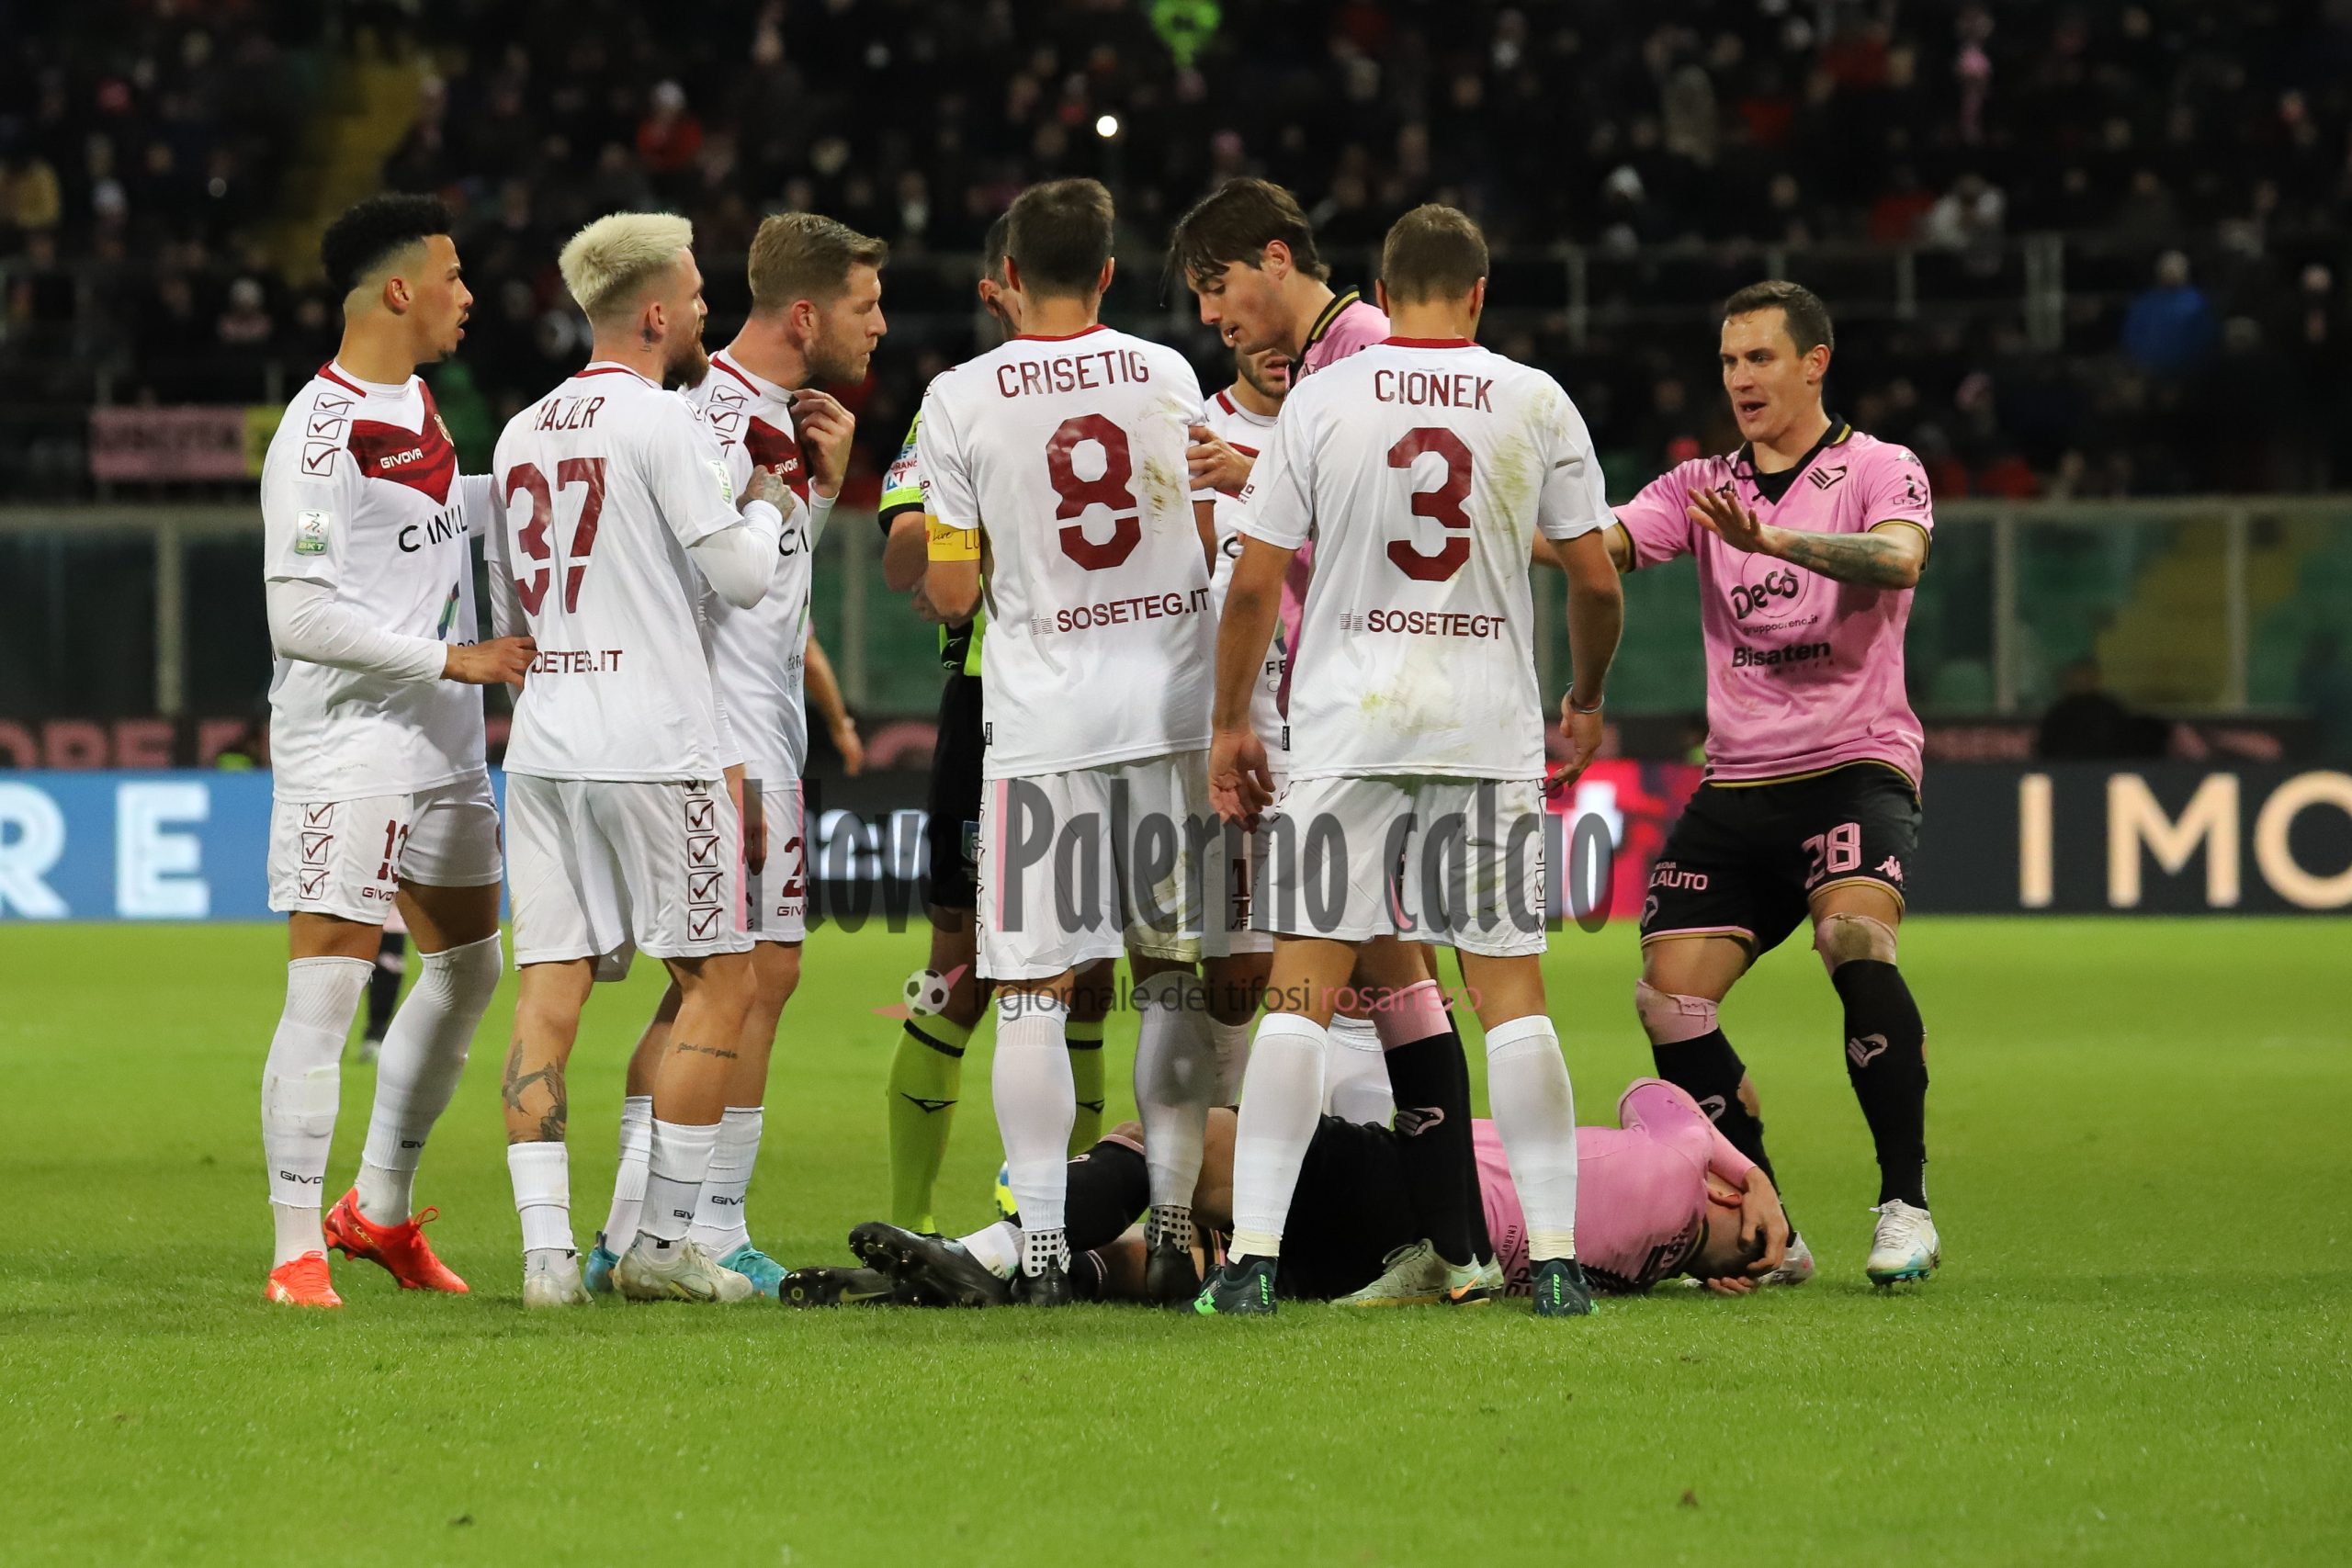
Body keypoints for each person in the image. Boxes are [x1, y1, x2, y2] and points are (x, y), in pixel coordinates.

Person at [1194, 205, 1628, 1318]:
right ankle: (1562, 1264)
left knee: (1300, 985)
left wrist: (1230, 722)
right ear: (1478, 293)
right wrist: (1581, 700)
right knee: (1510, 994)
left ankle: (1248, 1262)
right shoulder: (1534, 397)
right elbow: (1593, 580)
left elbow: (1252, 579)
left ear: (1384, 287)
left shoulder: (1323, 397)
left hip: (1347, 719)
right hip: (1483, 720)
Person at [919, 178, 1221, 1305]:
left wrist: (990, 573)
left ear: (1007, 273)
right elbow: (1199, 532)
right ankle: (1182, 1229)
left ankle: (1041, 1254)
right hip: (1169, 711)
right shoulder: (1167, 373)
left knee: (1037, 990)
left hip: (1044, 722)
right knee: (1170, 979)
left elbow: (951, 591)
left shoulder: (958, 395)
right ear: (1105, 270)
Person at [1604, 279, 1941, 1287]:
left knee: (1852, 937)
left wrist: (1776, 540)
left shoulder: (1880, 466)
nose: (1739, 379)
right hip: (1739, 779)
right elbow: (1605, 545)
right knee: (1668, 1001)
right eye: (1727, 361)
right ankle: (1773, 1230)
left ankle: (1904, 1205)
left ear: (1813, 362)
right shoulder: (1697, 484)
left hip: (1853, 763)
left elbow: (1897, 561)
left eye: (1758, 358)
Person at [486, 212, 794, 1308]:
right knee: (723, 980)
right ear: (655, 312)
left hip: (548, 745)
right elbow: (745, 581)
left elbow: (516, 598)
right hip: (656, 745)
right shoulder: (664, 424)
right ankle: (666, 1243)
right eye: (700, 294)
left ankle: (544, 1259)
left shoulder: (520, 430)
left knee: (550, 990)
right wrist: (769, 498)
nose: (708, 309)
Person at [576, 212, 877, 1299]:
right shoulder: (708, 420)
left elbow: (773, 585)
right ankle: (703, 1224)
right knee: (741, 977)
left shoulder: (780, 419)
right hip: (728, 736)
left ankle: (630, 1229)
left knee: (724, 981)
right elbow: (693, 602)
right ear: (807, 315)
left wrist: (826, 490)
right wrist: (723, 762)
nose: (879, 326)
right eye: (864, 305)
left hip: (754, 727)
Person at [254, 194, 533, 1307]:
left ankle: (374, 1210)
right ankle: (292, 1251)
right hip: (354, 743)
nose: (470, 295)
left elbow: (423, 521)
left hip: (444, 748)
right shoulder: (316, 435)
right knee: (325, 995)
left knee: (471, 967)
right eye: (454, 276)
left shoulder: (418, 400)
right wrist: (449, 659)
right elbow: (300, 618)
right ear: (400, 289)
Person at [873, 216, 1120, 1235]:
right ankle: (912, 1217)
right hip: (1004, 703)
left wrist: (943, 575)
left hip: (1047, 699)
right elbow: (905, 548)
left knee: (1086, 973)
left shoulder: (964, 400)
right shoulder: (971, 408)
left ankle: (1048, 1214)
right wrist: (937, 556)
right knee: (965, 965)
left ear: (1004, 283)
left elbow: (923, 573)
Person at [790, 1079, 1788, 1309]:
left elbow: (1651, 1096)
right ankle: (998, 1281)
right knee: (1176, 1256)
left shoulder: (1678, 1168)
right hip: (1395, 1264)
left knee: (1170, 1138)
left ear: (1738, 1200)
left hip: (1408, 1187)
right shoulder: (1644, 1269)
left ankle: (995, 1254)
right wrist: (1730, 1258)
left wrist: (1741, 1167)